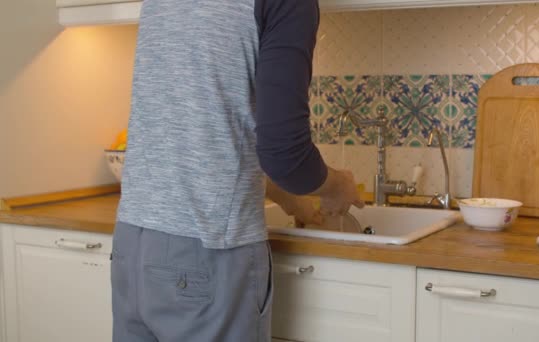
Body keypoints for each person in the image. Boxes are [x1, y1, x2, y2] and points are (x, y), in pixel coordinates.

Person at [111, 0, 363, 341]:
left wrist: (284, 197)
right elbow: (287, 156)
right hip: (207, 250)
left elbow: (204, 131)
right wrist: (336, 186)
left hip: (133, 244)